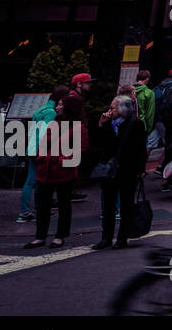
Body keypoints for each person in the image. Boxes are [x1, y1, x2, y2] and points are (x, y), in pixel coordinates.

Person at [26, 93, 87, 249]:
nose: (57, 107)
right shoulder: (54, 122)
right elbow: (43, 141)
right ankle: (40, 236)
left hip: (63, 172)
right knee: (42, 205)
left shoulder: (78, 127)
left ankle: (60, 236)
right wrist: (40, 156)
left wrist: (61, 160)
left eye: (61, 104)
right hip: (45, 170)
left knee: (63, 205)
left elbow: (81, 149)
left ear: (69, 108)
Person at [90, 95, 147, 250]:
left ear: (122, 109)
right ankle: (106, 238)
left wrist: (141, 169)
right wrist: (101, 124)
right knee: (108, 206)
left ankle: (122, 238)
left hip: (128, 170)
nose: (110, 111)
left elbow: (141, 149)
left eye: (113, 108)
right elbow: (99, 144)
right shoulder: (108, 123)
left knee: (126, 206)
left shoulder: (136, 124)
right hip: (110, 171)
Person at [17, 87, 66, 223]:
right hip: (40, 148)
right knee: (35, 180)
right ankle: (26, 211)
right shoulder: (51, 112)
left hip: (32, 147)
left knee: (32, 180)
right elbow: (46, 132)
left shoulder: (40, 109)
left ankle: (29, 210)